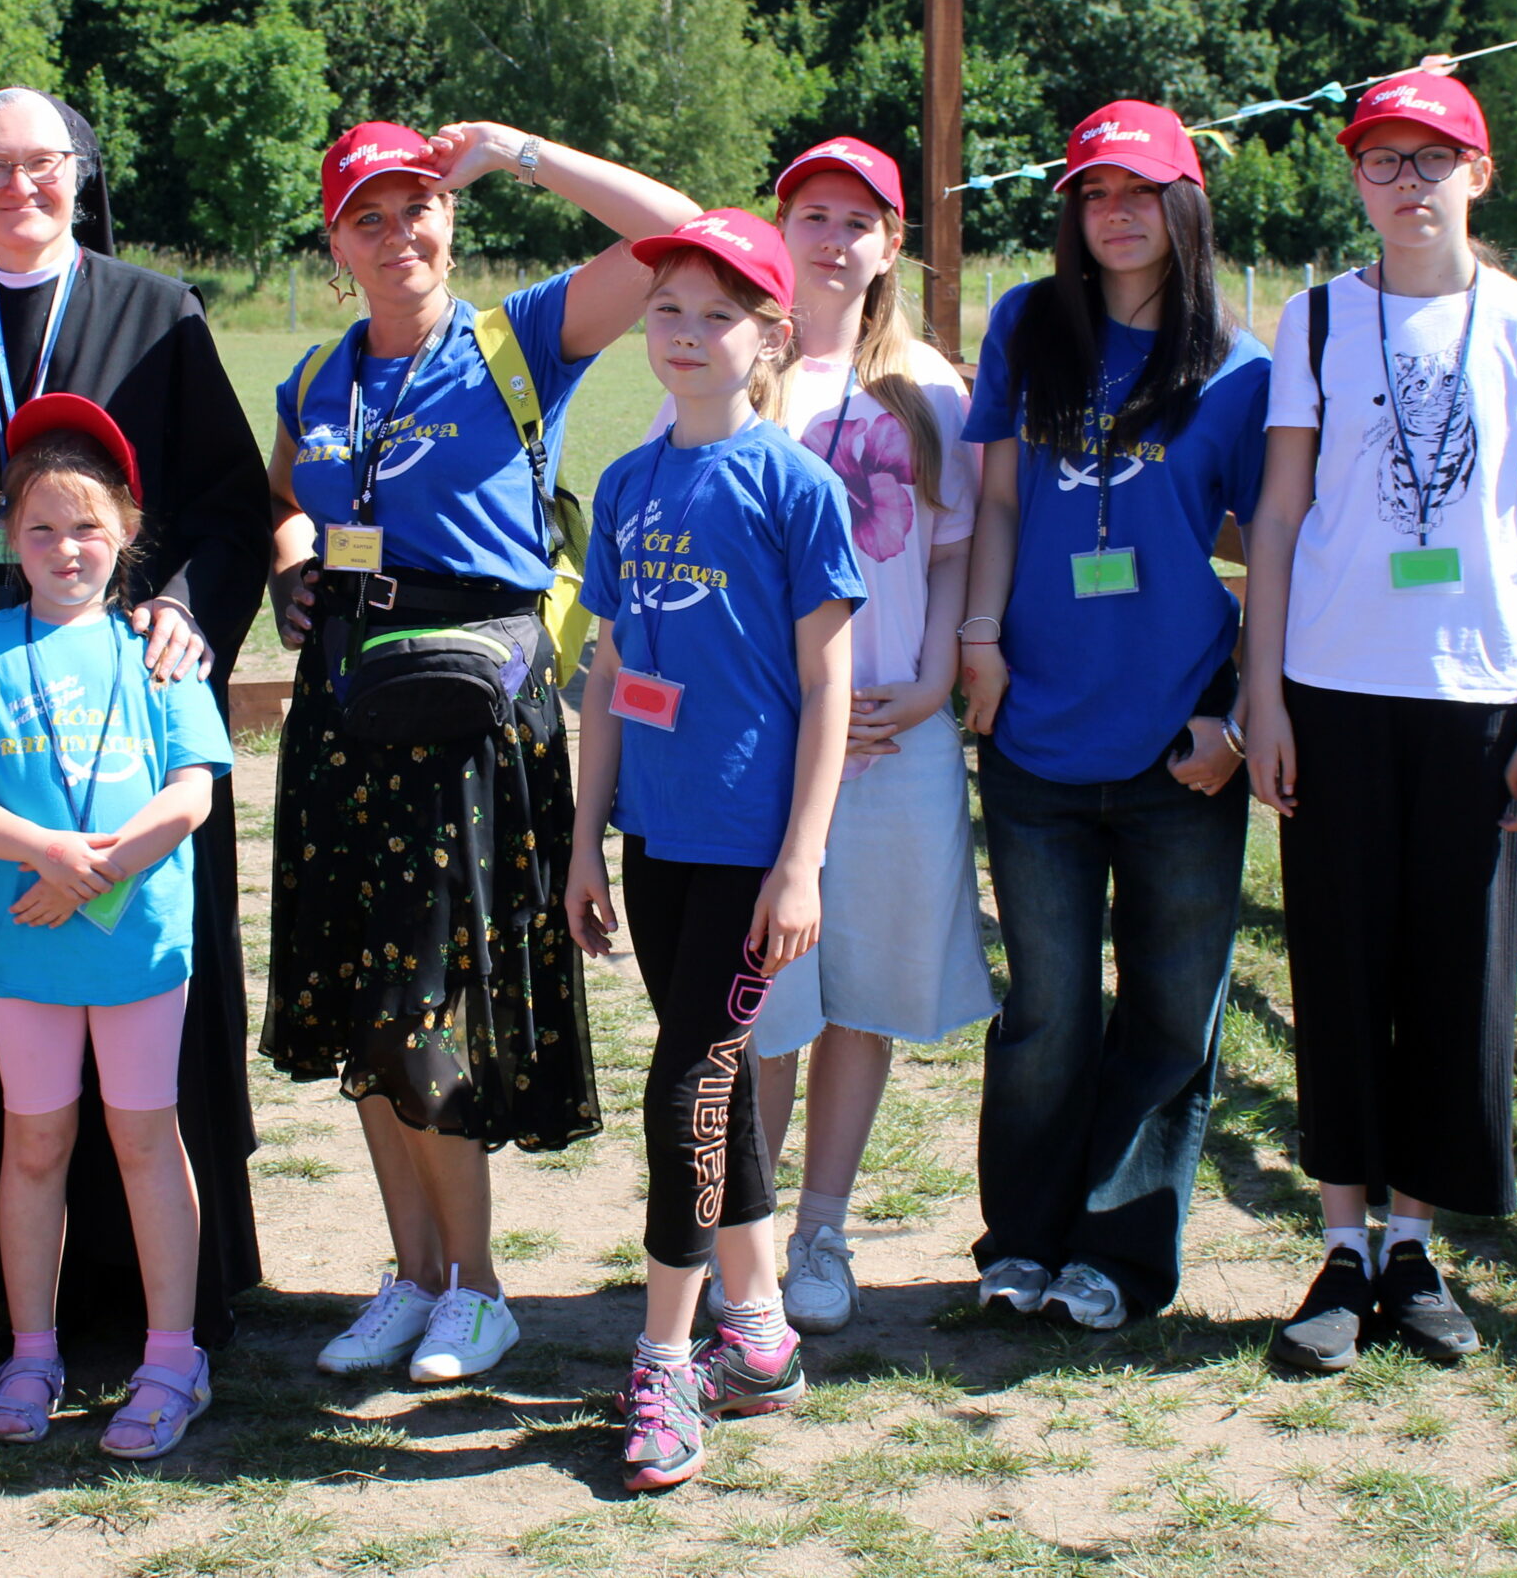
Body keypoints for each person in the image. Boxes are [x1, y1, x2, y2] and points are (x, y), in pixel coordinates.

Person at [0, 89, 270, 1344]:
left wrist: (183, 605)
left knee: (138, 1065)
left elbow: (231, 510)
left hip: (125, 747)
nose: (18, 186)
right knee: (8, 1050)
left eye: (41, 163)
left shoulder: (156, 313)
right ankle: (17, 1299)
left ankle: (154, 1303)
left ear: (81, 172)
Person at [265, 120, 699, 1385]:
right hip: (344, 710)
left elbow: (680, 235)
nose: (398, 234)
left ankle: (478, 1287)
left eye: (418, 207)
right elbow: (286, 498)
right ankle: (412, 1276)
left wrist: (515, 153)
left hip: (466, 718)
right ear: (336, 245)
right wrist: (293, 566)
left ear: (451, 219)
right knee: (362, 1005)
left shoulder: (519, 337)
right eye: (368, 217)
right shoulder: (317, 374)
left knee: (425, 1007)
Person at [1240, 75, 1517, 1372]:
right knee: (1338, 967)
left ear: (1477, 173)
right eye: (1381, 160)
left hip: (1478, 694)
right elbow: (1280, 514)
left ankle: (1415, 1244)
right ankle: (1341, 1244)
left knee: (1454, 975)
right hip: (1333, 687)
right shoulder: (1319, 316)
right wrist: (1263, 693)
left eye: (1431, 157)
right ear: (1356, 180)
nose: (1407, 181)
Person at [958, 102, 1272, 1332]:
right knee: (1045, 1011)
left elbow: (1275, 555)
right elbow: (996, 503)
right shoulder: (1026, 325)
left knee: (1167, 1011)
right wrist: (980, 640)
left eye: (1139, 191)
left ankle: (1119, 1255)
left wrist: (1234, 715)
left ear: (1184, 205)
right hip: (1034, 727)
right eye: (1093, 193)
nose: (1115, 213)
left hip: (1176, 743)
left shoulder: (1238, 367)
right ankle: (1022, 1241)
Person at [567, 209, 860, 1491]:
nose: (686, 334)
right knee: (716, 1089)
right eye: (668, 311)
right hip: (654, 838)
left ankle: (666, 1361)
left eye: (718, 316)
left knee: (682, 1084)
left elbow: (830, 686)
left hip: (750, 851)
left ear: (770, 338)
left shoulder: (796, 487)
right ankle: (761, 1335)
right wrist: (584, 838)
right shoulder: (627, 484)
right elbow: (607, 674)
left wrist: (800, 861)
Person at [0, 396, 233, 1459]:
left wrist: (93, 871)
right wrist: (44, 853)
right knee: (35, 1142)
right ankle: (31, 1350)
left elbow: (192, 791)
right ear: (8, 534)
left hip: (138, 945)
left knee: (145, 1139)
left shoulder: (160, 648)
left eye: (88, 526)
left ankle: (173, 1357)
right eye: (41, 527)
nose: (66, 548)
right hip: (26, 944)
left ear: (128, 529)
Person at [742, 141, 990, 1334]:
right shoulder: (744, 369)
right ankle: (740, 1230)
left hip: (894, 731)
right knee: (762, 996)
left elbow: (950, 552)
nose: (832, 239)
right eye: (812, 215)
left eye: (857, 220)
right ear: (781, 229)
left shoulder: (929, 388)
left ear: (892, 243)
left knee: (863, 992)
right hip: (768, 740)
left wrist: (936, 673)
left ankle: (822, 1228)